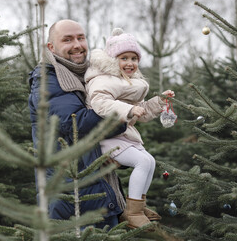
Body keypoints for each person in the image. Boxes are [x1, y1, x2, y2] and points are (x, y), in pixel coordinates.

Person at [28, 19, 127, 229]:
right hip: (70, 198)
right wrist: (121, 113)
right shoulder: (48, 79)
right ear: (51, 47)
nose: (77, 45)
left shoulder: (91, 76)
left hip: (97, 190)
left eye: (81, 38)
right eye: (68, 39)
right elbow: (74, 123)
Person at [84, 28, 175, 229]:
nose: (130, 63)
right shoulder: (102, 79)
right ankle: (131, 212)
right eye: (124, 58)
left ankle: (138, 205)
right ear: (112, 60)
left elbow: (141, 112)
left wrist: (159, 102)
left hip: (124, 135)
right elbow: (101, 103)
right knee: (142, 161)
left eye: (134, 58)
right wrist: (129, 109)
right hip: (106, 136)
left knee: (150, 161)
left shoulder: (130, 83)